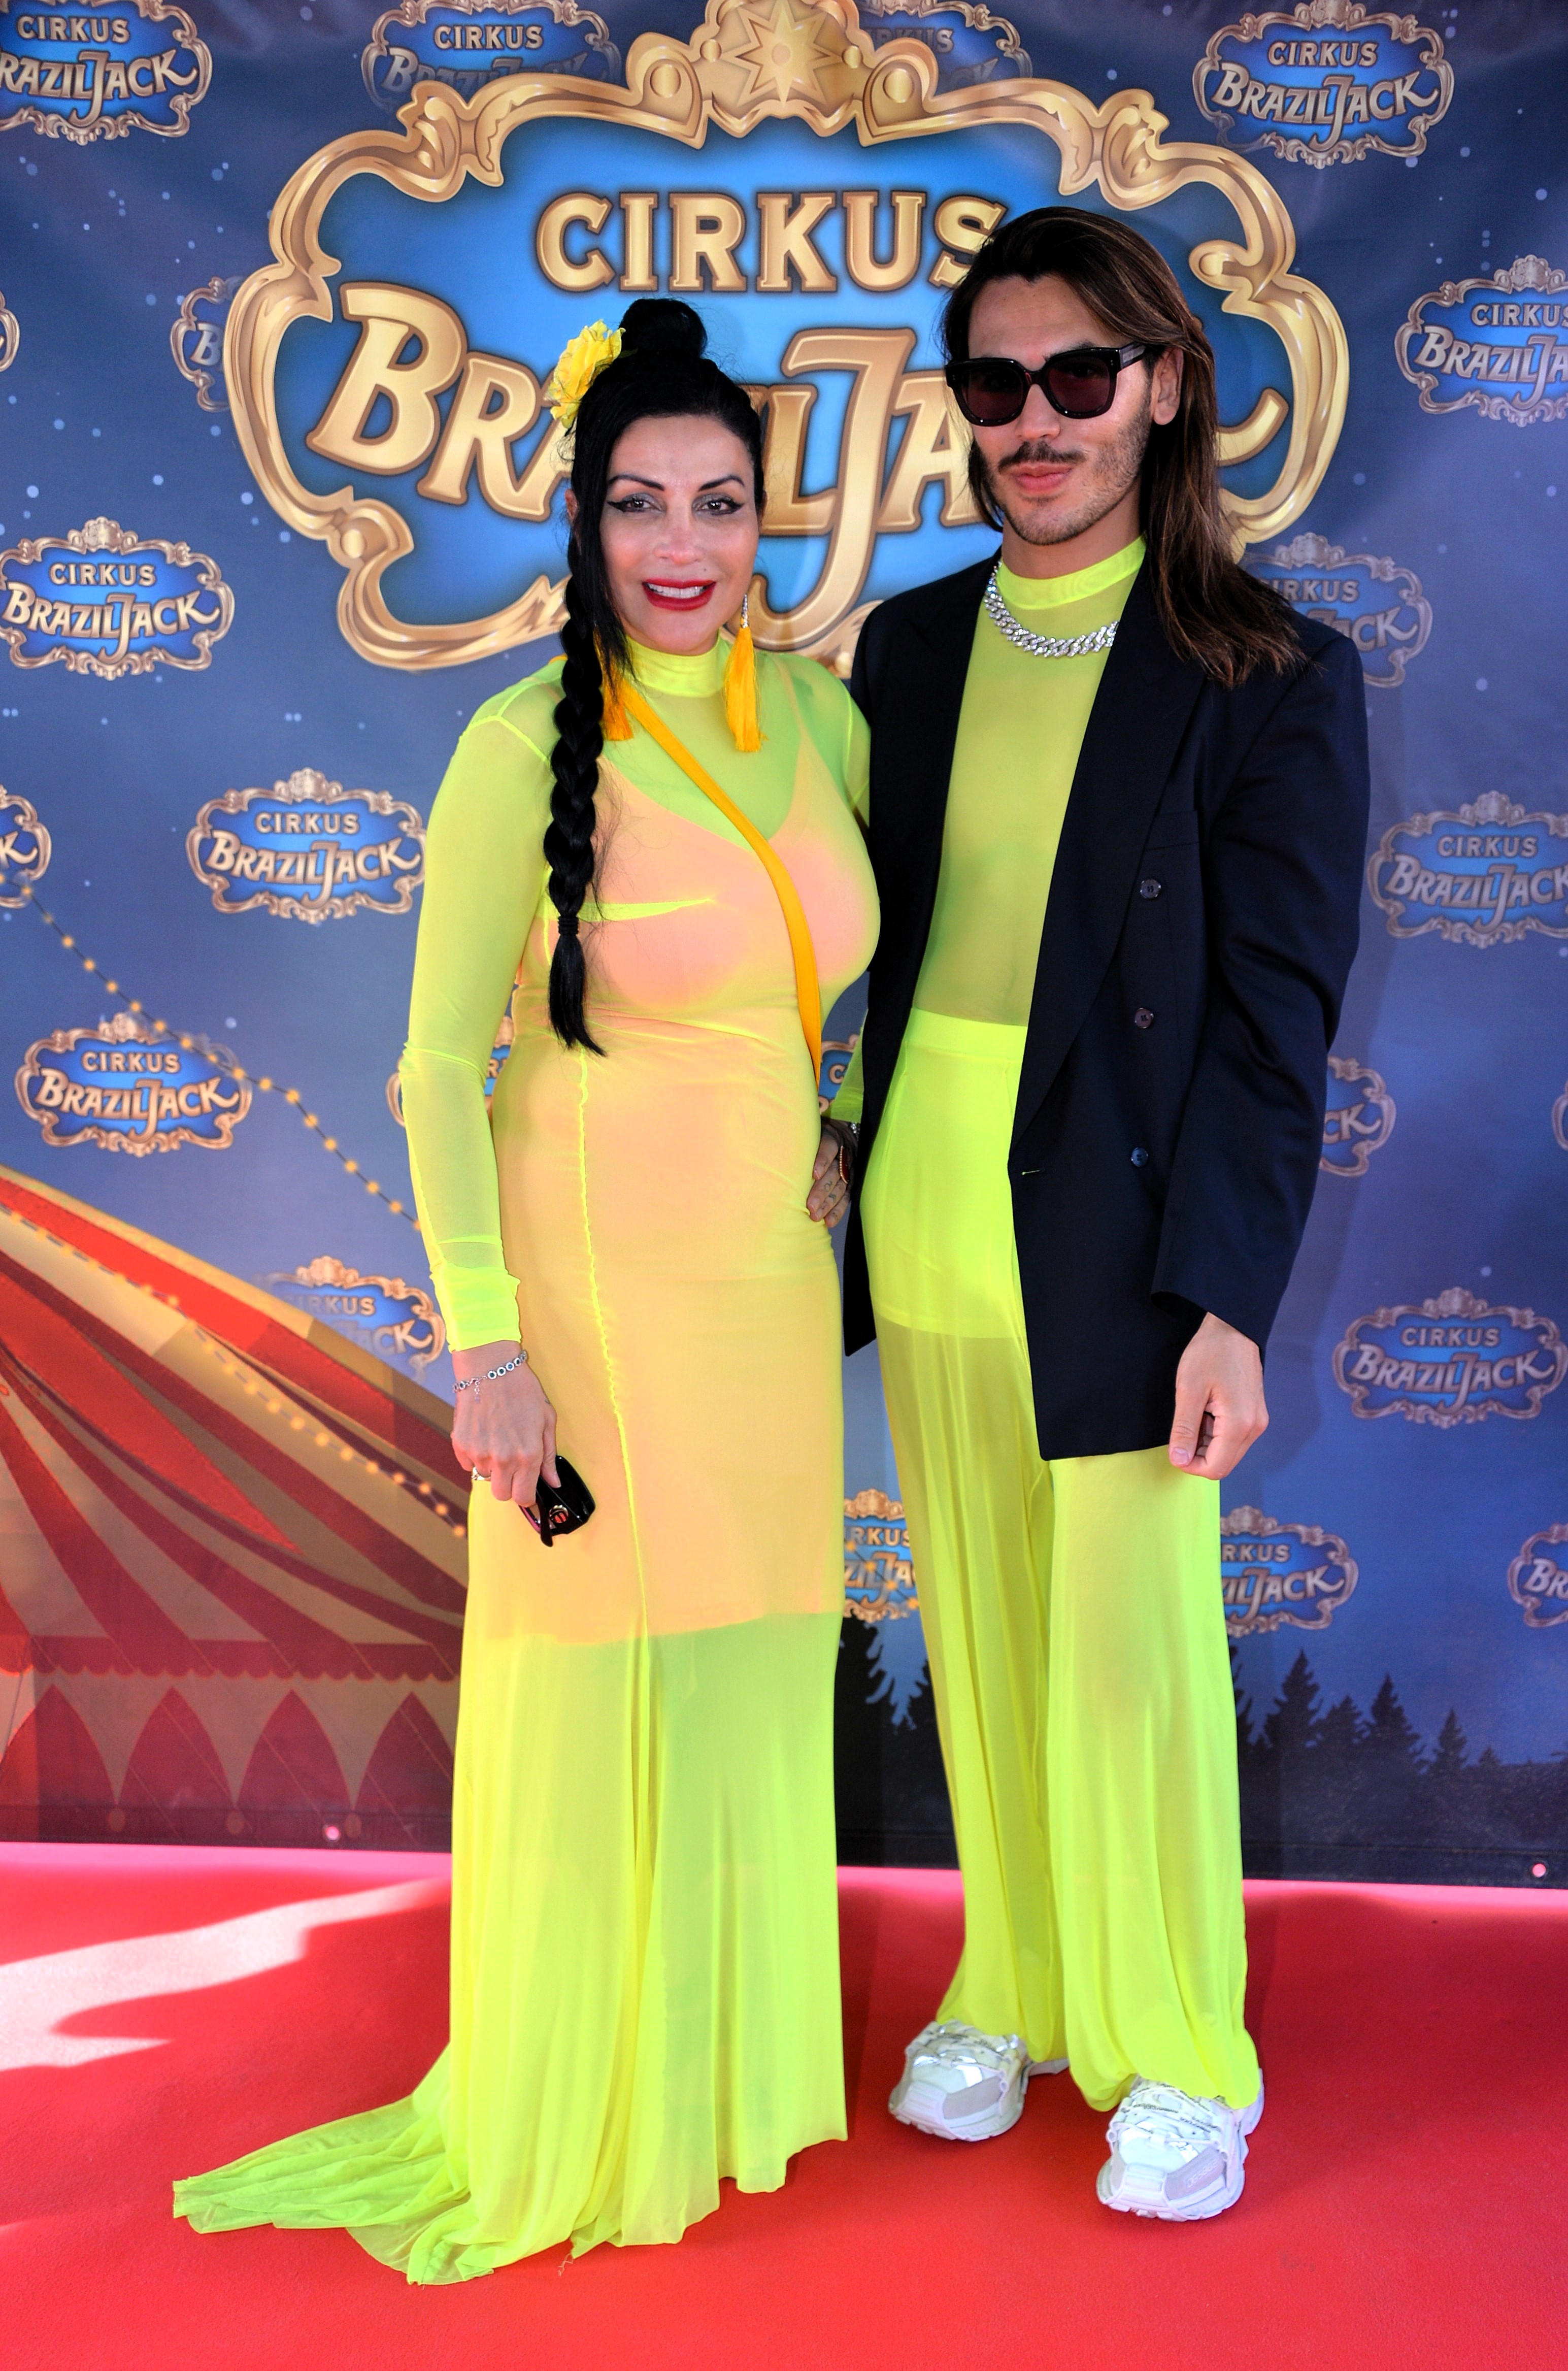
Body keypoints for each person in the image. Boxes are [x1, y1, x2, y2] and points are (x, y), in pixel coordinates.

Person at [174, 298, 878, 2278]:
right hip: (585, 1294)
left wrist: (831, 1116)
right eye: (639, 503)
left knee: (744, 1662)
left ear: (764, 517)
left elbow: (827, 975)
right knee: (596, 1685)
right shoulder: (515, 746)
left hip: (761, 1296)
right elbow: (430, 1070)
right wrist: (486, 1346)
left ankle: (712, 2083)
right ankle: (576, 2102)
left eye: (718, 502)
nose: (681, 543)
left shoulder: (823, 721)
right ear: (582, 523)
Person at [830, 207, 1369, 2220]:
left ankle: (1179, 2052)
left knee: (1129, 1661)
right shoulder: (906, 648)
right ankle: (1015, 1985)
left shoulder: (1266, 671)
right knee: (977, 1629)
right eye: (995, 382)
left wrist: (1227, 1297)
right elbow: (870, 947)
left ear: (1159, 385)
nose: (1032, 420)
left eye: (1075, 374)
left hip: (1129, 1230)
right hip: (926, 1201)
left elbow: (1274, 1025)